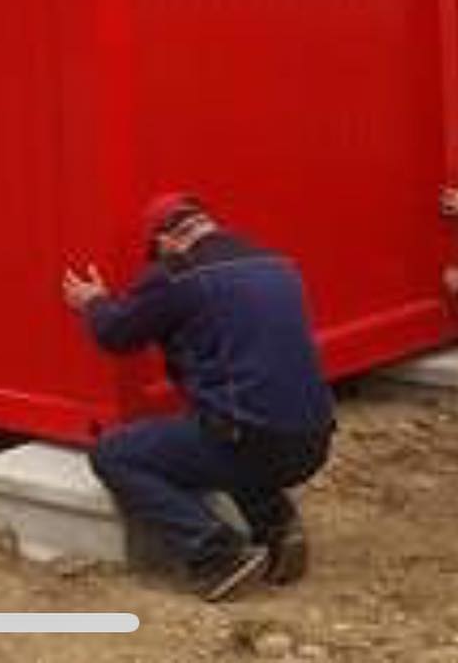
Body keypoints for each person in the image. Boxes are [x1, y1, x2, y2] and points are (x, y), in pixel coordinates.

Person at [62, 192, 334, 602]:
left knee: (115, 454)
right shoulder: (277, 264)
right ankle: (278, 527)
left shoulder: (177, 273)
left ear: (166, 242)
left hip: (250, 442)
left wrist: (94, 302)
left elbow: (118, 334)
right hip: (314, 439)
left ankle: (215, 554)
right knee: (228, 425)